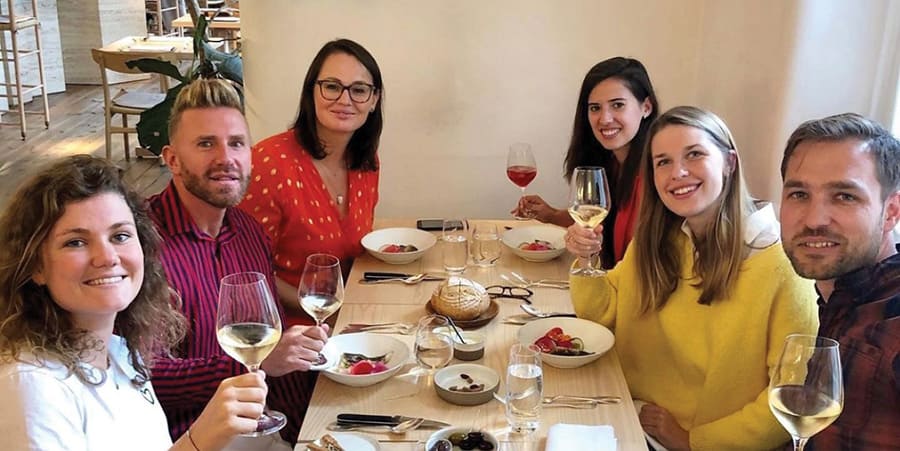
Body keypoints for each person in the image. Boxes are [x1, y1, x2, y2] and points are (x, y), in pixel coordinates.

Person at [567, 106, 818, 450]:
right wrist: (586, 258)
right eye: (663, 162)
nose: (678, 173)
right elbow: (601, 312)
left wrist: (692, 441)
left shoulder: (781, 265)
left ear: (729, 163)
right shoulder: (659, 240)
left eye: (694, 154)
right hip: (623, 410)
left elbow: (790, 400)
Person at [0, 155, 268, 450]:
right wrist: (198, 442)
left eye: (120, 235)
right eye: (75, 242)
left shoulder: (120, 352)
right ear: (36, 267)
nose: (107, 257)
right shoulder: (33, 385)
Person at [149, 78, 327, 443]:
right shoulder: (140, 245)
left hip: (268, 425)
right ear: (172, 159)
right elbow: (144, 376)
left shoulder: (247, 231)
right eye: (205, 144)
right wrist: (254, 364)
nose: (225, 158)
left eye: (236, 144)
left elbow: (266, 333)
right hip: (193, 438)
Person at [238, 38, 383, 324]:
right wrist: (328, 312)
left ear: (374, 100)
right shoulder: (268, 163)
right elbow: (247, 270)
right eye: (331, 86)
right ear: (311, 92)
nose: (344, 100)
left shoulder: (367, 162)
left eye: (359, 90)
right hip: (287, 332)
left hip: (346, 316)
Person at [779, 113, 900, 450]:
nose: (814, 219)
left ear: (891, 211)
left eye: (845, 196)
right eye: (799, 194)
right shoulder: (838, 297)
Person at [512, 57, 659, 267]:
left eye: (617, 105)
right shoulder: (609, 163)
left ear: (646, 107)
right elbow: (596, 222)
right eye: (595, 108)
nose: (605, 119)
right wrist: (552, 215)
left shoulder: (655, 174)